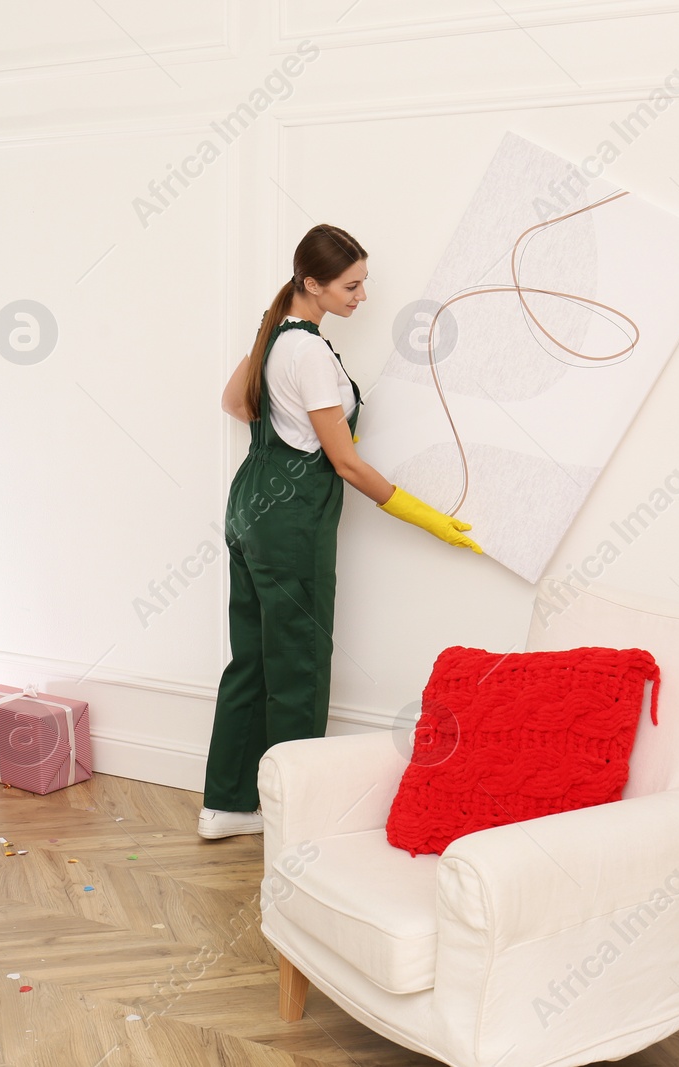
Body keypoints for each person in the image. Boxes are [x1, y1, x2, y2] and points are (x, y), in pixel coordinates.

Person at [199, 223, 482, 840]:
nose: (361, 297)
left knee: (251, 661)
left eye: (364, 284)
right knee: (298, 665)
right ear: (313, 284)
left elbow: (234, 401)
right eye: (351, 286)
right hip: (291, 520)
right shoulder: (310, 353)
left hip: (249, 507)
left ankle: (226, 805)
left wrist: (287, 414)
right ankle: (297, 819)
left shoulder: (274, 335)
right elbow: (347, 463)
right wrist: (429, 518)